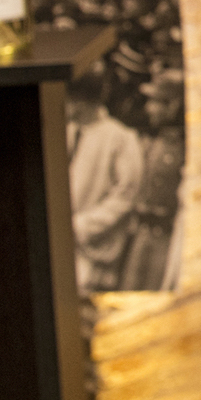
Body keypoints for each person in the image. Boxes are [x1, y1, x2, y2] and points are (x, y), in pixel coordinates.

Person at [68, 76, 144, 293]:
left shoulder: (120, 138)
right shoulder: (67, 131)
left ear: (79, 102)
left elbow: (126, 196)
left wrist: (82, 226)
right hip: (62, 243)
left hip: (94, 248)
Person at [120, 69, 185, 291]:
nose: (149, 108)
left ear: (173, 105)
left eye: (156, 102)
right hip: (140, 235)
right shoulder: (150, 142)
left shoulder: (185, 149)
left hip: (166, 240)